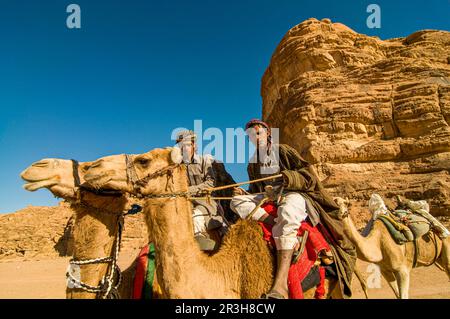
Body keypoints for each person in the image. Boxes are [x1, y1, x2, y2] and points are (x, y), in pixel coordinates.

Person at [230, 119, 356, 299]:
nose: (255, 137)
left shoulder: (283, 151)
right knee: (236, 201)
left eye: (258, 133)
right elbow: (255, 190)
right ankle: (274, 222)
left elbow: (308, 176)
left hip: (293, 194)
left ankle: (280, 285)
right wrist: (245, 193)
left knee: (288, 211)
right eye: (250, 135)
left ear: (267, 134)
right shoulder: (253, 163)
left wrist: (288, 177)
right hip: (269, 199)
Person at [175, 130, 234, 250]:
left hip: (205, 201)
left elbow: (210, 183)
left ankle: (202, 243)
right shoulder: (177, 167)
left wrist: (189, 190)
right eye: (181, 145)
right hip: (186, 203)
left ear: (194, 146)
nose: (184, 148)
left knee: (196, 217)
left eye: (187, 145)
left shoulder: (204, 160)